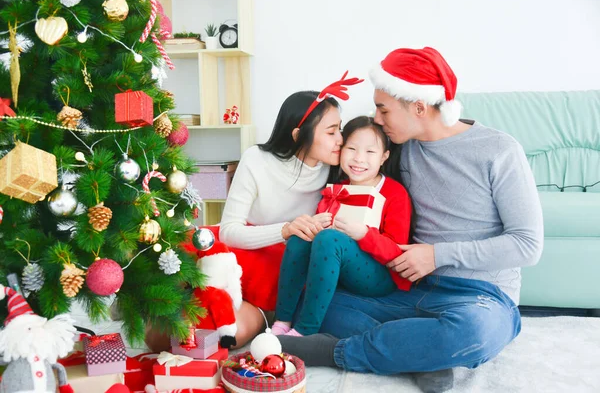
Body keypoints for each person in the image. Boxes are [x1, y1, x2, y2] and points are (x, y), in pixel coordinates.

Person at [277, 47, 544, 393]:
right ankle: (421, 354)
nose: (375, 118)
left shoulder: (500, 151)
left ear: (418, 107)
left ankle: (336, 352)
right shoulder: (401, 150)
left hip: (479, 297)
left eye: (383, 108)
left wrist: (435, 255)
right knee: (310, 298)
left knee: (475, 333)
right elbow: (351, 171)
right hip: (406, 292)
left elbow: (528, 245)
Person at [144, 73, 363, 351]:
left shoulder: (339, 169)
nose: (341, 140)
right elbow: (229, 231)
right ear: (298, 135)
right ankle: (150, 301)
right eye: (331, 132)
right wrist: (285, 228)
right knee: (177, 257)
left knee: (222, 336)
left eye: (340, 129)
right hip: (241, 249)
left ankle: (222, 307)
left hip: (279, 272)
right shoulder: (257, 160)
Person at [272, 116, 412, 337]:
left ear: (384, 156)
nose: (359, 159)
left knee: (330, 239)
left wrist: (364, 234)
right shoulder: (337, 189)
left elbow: (396, 253)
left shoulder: (395, 194)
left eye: (370, 152)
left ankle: (305, 331)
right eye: (352, 148)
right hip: (339, 267)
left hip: (379, 276)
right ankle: (281, 322)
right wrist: (316, 224)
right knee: (301, 236)